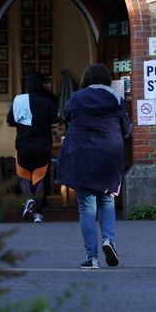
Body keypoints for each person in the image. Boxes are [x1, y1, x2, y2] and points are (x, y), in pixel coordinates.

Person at [56, 64, 130, 269]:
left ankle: (92, 258)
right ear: (107, 79)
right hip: (110, 153)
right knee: (107, 200)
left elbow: (65, 116)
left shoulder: (76, 98)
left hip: (82, 153)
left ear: (86, 78)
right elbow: (126, 128)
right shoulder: (116, 99)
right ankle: (108, 240)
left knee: (86, 207)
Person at [7, 73, 60, 223]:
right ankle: (38, 214)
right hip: (43, 145)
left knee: (24, 177)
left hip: (23, 145)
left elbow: (10, 121)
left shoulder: (18, 101)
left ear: (26, 87)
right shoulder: (47, 102)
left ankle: (29, 199)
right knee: (39, 180)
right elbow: (54, 122)